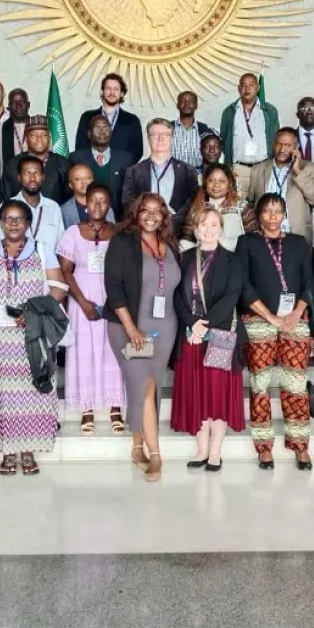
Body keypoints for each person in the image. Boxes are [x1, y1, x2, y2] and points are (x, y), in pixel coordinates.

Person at [0, 200, 66, 475]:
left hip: (33, 337)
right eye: (8, 218)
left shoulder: (42, 250)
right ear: (0, 222)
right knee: (2, 394)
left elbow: (59, 289)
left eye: (19, 218)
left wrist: (33, 310)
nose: (13, 223)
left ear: (28, 223)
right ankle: (8, 451)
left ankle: (28, 449)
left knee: (32, 392)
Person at [104, 192, 182, 483]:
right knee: (144, 384)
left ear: (164, 217)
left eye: (158, 211)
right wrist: (132, 328)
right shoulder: (122, 242)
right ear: (136, 213)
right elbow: (113, 288)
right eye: (145, 210)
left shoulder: (171, 245)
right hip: (128, 325)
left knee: (151, 387)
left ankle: (137, 447)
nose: (151, 215)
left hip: (165, 326)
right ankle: (156, 453)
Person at [240, 193, 314, 470]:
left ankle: (300, 445)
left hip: (295, 319)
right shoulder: (246, 243)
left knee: (295, 385)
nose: (273, 216)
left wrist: (295, 313)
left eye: (278, 211)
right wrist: (270, 316)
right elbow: (243, 285)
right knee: (260, 384)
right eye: (267, 211)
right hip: (259, 320)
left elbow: (309, 282)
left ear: (285, 215)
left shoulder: (297, 243)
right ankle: (264, 446)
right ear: (259, 215)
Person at [170, 207, 246, 471]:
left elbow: (231, 297)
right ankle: (201, 450)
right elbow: (176, 296)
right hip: (191, 335)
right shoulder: (184, 258)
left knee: (216, 394)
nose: (209, 229)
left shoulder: (232, 261)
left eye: (214, 224)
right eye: (204, 224)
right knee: (197, 393)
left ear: (221, 228)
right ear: (196, 228)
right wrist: (192, 323)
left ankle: (215, 452)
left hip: (220, 334)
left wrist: (206, 326)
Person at [57, 183, 126, 434]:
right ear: (85, 203)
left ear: (109, 205)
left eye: (103, 201)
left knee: (112, 352)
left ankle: (115, 406)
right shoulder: (72, 233)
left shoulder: (118, 232)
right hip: (81, 298)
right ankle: (87, 409)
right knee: (84, 353)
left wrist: (116, 302)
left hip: (112, 298)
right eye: (93, 200)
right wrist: (83, 302)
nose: (97, 205)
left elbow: (124, 270)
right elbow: (65, 271)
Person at [244, 127, 314, 245]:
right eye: (279, 144)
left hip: (295, 236)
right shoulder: (258, 170)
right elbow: (250, 201)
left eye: (287, 145)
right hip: (263, 236)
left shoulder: (310, 169)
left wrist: (297, 171)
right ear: (273, 145)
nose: (282, 149)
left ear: (296, 148)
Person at [121, 118, 199, 231]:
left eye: (165, 134)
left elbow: (194, 200)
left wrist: (175, 221)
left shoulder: (188, 171)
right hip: (144, 231)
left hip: (177, 232)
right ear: (148, 139)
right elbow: (128, 204)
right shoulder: (133, 172)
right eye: (155, 134)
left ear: (172, 139)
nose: (160, 138)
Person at [69, 112, 135, 219]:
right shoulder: (76, 158)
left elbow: (130, 193)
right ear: (89, 134)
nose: (102, 132)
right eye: (97, 128)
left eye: (106, 128)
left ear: (111, 133)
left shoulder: (125, 159)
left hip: (117, 221)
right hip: (84, 218)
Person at [219, 72, 278, 192]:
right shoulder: (229, 112)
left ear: (258, 88)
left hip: (263, 168)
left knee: (263, 207)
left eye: (251, 84)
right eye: (243, 85)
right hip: (239, 170)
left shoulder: (270, 111)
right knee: (238, 206)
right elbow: (224, 141)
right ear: (239, 89)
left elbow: (276, 140)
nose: (247, 88)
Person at [0, 155, 65, 253]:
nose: (32, 178)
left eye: (37, 173)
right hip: (16, 266)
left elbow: (60, 245)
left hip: (48, 266)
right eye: (27, 173)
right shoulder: (6, 207)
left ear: (43, 177)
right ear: (19, 177)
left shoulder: (54, 207)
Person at [180, 163, 256, 251]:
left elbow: (253, 240)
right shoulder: (196, 209)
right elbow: (186, 239)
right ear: (205, 183)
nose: (216, 184)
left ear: (229, 185)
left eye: (222, 181)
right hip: (203, 260)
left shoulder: (242, 208)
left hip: (235, 260)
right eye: (211, 180)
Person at [74, 73, 144, 165]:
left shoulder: (132, 120)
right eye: (108, 88)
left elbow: (137, 150)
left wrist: (122, 167)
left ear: (122, 93)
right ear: (102, 92)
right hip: (92, 172)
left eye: (116, 89)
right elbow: (80, 146)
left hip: (121, 174)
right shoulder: (87, 117)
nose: (112, 92)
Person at [3, 115, 70, 203]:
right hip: (22, 215)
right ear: (27, 139)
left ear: (49, 138)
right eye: (34, 135)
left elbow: (69, 199)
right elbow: (6, 198)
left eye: (44, 135)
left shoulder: (63, 164)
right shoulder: (12, 165)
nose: (39, 139)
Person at [61, 163, 116, 229]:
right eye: (77, 179)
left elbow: (112, 234)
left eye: (88, 178)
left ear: (93, 181)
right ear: (70, 185)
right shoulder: (63, 210)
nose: (84, 182)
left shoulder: (106, 207)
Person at [170, 90, 214, 170]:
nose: (186, 104)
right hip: (173, 176)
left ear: (196, 105)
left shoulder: (204, 130)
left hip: (197, 176)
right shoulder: (168, 128)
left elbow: (210, 156)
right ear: (177, 105)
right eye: (183, 101)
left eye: (191, 101)